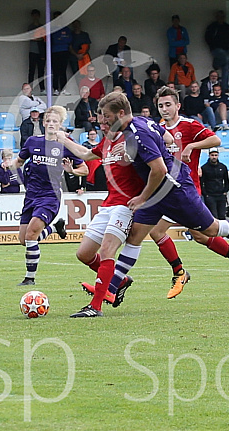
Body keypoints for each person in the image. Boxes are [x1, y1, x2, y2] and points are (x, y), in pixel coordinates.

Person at [72, 92, 229, 317]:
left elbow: (160, 170)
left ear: (121, 113)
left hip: (174, 190)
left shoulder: (138, 134)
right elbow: (168, 139)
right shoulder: (143, 122)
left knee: (210, 229)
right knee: (134, 237)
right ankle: (111, 289)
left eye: (107, 116)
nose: (104, 121)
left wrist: (142, 197)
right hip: (156, 193)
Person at [151, 86, 229, 296]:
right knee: (176, 233)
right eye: (161, 105)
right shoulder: (157, 128)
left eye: (168, 105)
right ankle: (184, 271)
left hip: (187, 190)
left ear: (178, 106)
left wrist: (192, 146)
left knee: (202, 233)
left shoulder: (188, 125)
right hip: (168, 191)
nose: (164, 109)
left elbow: (216, 140)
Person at [55, 108, 141, 316]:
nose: (103, 127)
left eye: (106, 123)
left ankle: (95, 307)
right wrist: (64, 139)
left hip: (126, 205)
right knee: (83, 254)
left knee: (107, 251)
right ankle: (118, 280)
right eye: (100, 124)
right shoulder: (106, 144)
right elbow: (85, 153)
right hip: (108, 203)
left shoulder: (132, 139)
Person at [11, 105, 88, 286]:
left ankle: (30, 278)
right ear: (43, 123)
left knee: (31, 235)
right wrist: (9, 164)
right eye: (49, 120)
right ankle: (55, 228)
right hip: (31, 196)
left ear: (61, 124)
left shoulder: (65, 145)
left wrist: (72, 171)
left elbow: (84, 169)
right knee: (23, 239)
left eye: (55, 121)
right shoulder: (32, 142)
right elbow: (20, 160)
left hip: (50, 196)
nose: (51, 124)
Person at [204, 10, 229, 92]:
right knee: (225, 59)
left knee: (226, 70)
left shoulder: (227, 26)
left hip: (226, 49)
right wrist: (212, 45)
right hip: (216, 49)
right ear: (216, 17)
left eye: (222, 16)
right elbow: (207, 37)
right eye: (219, 16)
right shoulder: (212, 26)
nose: (221, 18)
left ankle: (225, 88)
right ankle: (216, 64)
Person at [200, 147, 229, 220]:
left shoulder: (223, 167)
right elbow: (201, 182)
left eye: (215, 155)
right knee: (214, 216)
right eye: (212, 155)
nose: (214, 157)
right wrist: (206, 194)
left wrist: (225, 191)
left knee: (222, 216)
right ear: (209, 156)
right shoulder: (204, 168)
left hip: (221, 195)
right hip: (210, 195)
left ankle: (222, 231)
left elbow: (226, 181)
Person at [50, 11, 72, 96]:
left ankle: (63, 89)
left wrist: (61, 39)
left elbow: (69, 40)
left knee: (63, 71)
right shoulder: (52, 29)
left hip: (64, 52)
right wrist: (63, 39)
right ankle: (55, 89)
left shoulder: (66, 29)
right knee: (55, 71)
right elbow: (55, 40)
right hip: (55, 52)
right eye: (56, 17)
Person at [27, 9, 46, 93]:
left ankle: (42, 88)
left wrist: (39, 38)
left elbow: (45, 38)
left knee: (41, 71)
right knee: (31, 70)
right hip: (33, 51)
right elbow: (31, 37)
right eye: (34, 15)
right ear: (32, 16)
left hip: (41, 51)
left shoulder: (43, 27)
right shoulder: (30, 27)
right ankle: (29, 89)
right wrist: (39, 38)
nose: (35, 17)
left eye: (37, 15)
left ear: (39, 16)